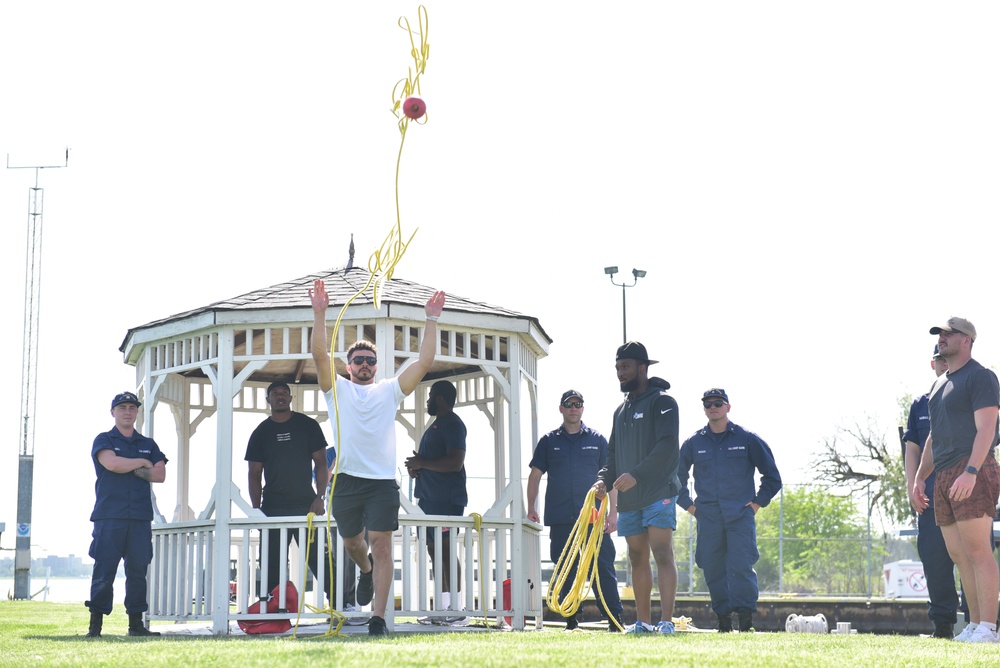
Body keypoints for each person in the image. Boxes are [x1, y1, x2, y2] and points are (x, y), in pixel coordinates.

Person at [310, 278, 446, 637]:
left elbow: (425, 361)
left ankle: (379, 618)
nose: (366, 364)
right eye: (359, 360)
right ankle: (365, 571)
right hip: (347, 481)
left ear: (376, 365)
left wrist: (431, 319)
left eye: (371, 360)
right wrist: (320, 313)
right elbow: (320, 356)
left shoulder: (389, 391)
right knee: (353, 543)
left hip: (382, 483)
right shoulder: (336, 390)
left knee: (383, 544)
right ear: (349, 365)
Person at [913, 317, 1000, 643]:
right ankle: (975, 624)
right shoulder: (938, 385)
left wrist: (972, 471)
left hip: (971, 470)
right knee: (959, 554)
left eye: (949, 334)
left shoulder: (980, 377)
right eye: (939, 335)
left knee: (979, 551)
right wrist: (921, 478)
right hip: (945, 474)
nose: (942, 339)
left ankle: (989, 628)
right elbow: (934, 437)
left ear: (967, 340)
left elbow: (987, 429)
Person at [593, 341, 680, 635]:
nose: (620, 373)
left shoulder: (664, 403)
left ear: (642, 368)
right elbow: (613, 457)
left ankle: (666, 622)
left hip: (659, 493)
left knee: (661, 552)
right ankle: (643, 623)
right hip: (631, 499)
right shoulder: (620, 411)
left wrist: (637, 475)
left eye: (626, 367)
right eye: (618, 367)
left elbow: (667, 448)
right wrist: (603, 480)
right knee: (636, 557)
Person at [678, 388, 781, 633]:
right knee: (712, 567)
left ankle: (746, 623)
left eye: (718, 403)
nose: (713, 407)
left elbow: (772, 478)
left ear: (728, 407)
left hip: (740, 516)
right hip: (708, 517)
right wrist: (691, 507)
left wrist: (756, 504)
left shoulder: (747, 439)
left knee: (741, 566)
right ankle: (723, 622)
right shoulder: (693, 443)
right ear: (704, 409)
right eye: (708, 403)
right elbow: (675, 479)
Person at [528, 389, 624, 632]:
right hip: (561, 517)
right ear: (561, 408)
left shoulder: (598, 440)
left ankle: (614, 619)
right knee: (565, 569)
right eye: (569, 404)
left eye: (578, 404)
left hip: (594, 518)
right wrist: (530, 507)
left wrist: (613, 513)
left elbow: (611, 478)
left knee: (602, 567)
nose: (573, 408)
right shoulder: (549, 441)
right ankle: (571, 620)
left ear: (583, 408)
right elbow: (535, 475)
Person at [245, 381, 335, 609]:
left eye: (284, 392)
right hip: (272, 508)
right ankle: (272, 609)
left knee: (319, 559)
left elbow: (322, 464)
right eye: (275, 393)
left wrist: (320, 497)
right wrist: (256, 511)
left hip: (306, 506)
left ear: (291, 397)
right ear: (268, 400)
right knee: (271, 564)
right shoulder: (260, 433)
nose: (280, 396)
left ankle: (339, 604)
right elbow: (254, 474)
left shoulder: (308, 426)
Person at [86, 391, 168, 638]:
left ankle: (136, 626)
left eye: (132, 408)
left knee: (137, 573)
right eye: (122, 408)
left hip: (140, 518)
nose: (128, 412)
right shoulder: (104, 439)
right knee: (104, 572)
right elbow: (111, 464)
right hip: (109, 517)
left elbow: (160, 475)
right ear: (113, 412)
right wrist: (142, 464)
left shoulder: (148, 444)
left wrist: (132, 465)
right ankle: (95, 628)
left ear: (137, 412)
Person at [903, 346, 961, 639]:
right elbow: (912, 449)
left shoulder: (973, 395)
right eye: (940, 359)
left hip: (967, 494)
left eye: (948, 358)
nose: (944, 363)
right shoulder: (920, 404)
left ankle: (982, 623)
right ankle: (943, 626)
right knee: (935, 561)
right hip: (930, 497)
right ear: (933, 364)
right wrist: (912, 485)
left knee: (975, 558)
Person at [405, 379, 470, 626]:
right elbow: (432, 461)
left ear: (440, 398)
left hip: (446, 500)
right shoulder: (437, 425)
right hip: (430, 500)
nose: (428, 399)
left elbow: (456, 462)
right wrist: (417, 468)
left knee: (445, 549)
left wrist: (422, 463)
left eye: (431, 395)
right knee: (435, 551)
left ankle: (456, 607)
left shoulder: (453, 424)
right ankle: (443, 608)